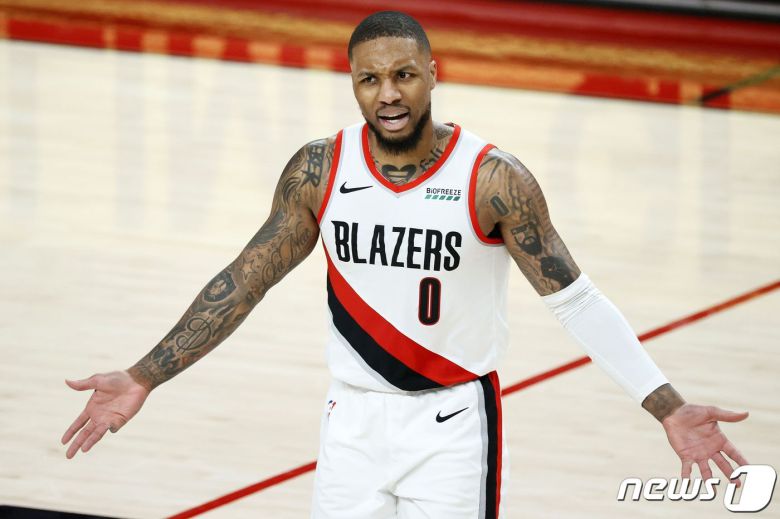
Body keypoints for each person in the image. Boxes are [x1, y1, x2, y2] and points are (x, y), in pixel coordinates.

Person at [61, 10, 750, 518]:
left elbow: (576, 300)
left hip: (452, 424)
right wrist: (145, 375)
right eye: (370, 79)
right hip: (350, 421)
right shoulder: (319, 169)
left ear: (432, 75)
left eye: (403, 75)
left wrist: (666, 405)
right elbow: (245, 280)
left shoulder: (493, 178)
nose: (387, 93)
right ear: (353, 84)